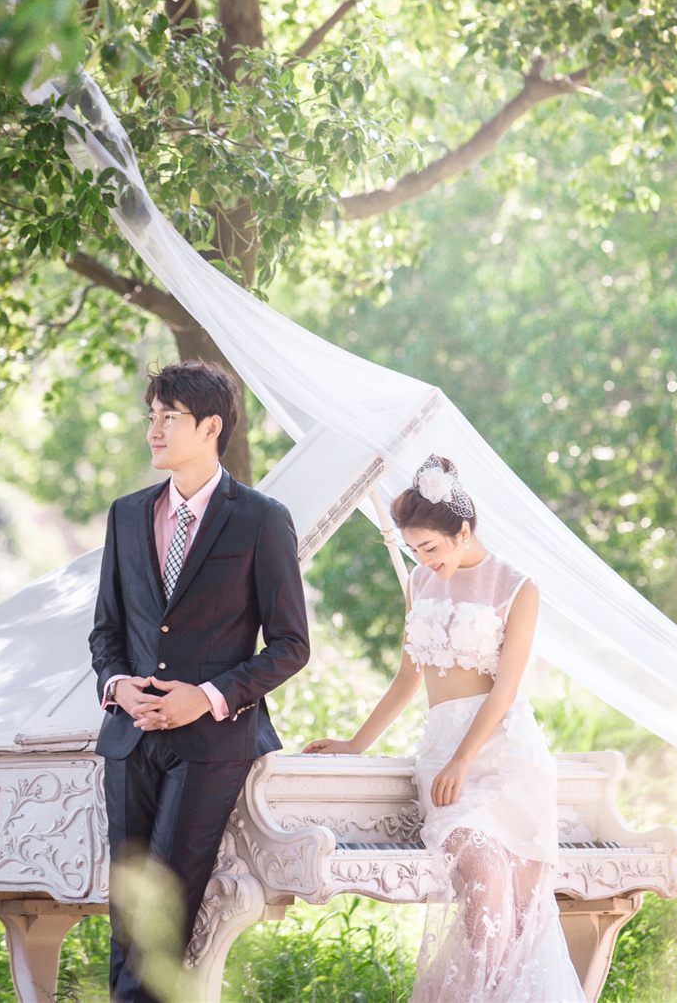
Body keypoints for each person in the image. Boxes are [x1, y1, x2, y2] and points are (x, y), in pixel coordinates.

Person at [304, 454, 586, 1002]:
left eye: (431, 548)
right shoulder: (420, 581)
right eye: (414, 550)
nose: (424, 560)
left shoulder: (517, 586)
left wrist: (463, 759)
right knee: (484, 880)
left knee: (522, 921)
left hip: (508, 759)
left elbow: (506, 689)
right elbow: (408, 677)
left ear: (463, 531)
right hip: (443, 757)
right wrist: (356, 744)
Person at [90, 360, 310, 1003]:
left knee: (166, 914)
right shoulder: (127, 515)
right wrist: (116, 685)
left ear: (211, 427)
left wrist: (207, 698)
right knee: (129, 913)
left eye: (170, 417)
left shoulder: (261, 519)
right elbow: (107, 630)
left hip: (211, 745)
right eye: (151, 416)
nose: (154, 429)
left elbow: (291, 646)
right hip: (130, 739)